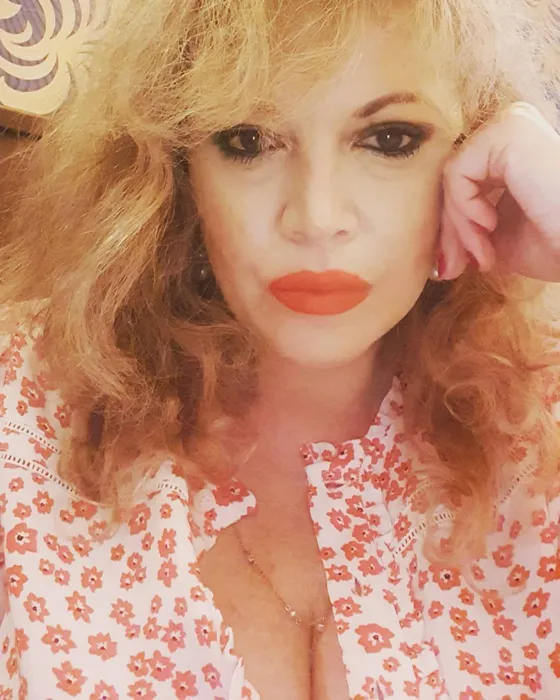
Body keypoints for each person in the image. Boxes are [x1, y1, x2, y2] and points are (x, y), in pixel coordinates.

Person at [0, 0, 559, 698]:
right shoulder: (23, 410)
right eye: (248, 141)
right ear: (178, 174)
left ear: (474, 159)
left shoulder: (543, 421)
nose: (316, 218)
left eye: (389, 139)